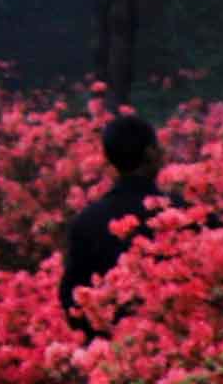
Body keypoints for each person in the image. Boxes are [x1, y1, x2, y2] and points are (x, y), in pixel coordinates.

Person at [55, 112, 162, 298]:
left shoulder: (86, 222)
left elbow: (73, 296)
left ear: (108, 158)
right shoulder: (183, 211)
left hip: (110, 324)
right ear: (151, 152)